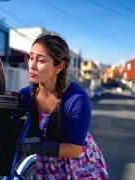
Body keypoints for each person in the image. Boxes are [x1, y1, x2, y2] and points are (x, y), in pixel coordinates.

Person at [17, 34, 108, 179]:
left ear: (59, 66)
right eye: (31, 57)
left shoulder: (77, 98)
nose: (32, 65)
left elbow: (74, 149)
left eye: (40, 60)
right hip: (48, 167)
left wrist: (32, 148)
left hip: (81, 168)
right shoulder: (26, 95)